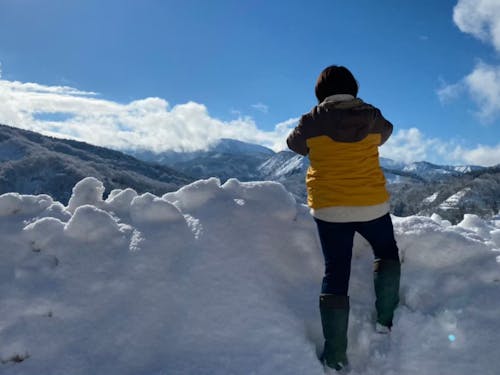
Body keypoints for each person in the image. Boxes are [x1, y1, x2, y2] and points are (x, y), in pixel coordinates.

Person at [286, 65, 401, 371]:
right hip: (372, 204)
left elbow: (293, 145)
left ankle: (335, 355)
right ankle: (385, 320)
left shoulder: (311, 122)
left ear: (320, 92)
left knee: (336, 273)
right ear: (354, 88)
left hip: (329, 208)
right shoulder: (373, 116)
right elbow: (386, 133)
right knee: (387, 253)